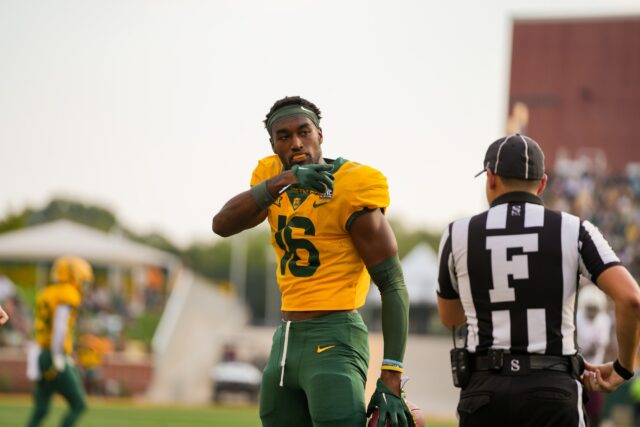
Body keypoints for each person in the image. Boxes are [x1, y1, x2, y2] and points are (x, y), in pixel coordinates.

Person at [212, 96, 414, 427]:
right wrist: (283, 181)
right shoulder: (271, 177)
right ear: (273, 144)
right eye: (284, 136)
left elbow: (393, 284)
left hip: (335, 337)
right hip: (285, 340)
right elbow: (222, 225)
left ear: (320, 134)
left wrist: (392, 374)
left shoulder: (351, 186)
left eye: (304, 132)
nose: (296, 143)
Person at [436, 134, 640, 427]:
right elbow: (631, 299)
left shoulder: (457, 234)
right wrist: (624, 367)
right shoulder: (575, 229)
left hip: (484, 392)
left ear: (490, 178)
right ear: (542, 183)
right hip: (553, 388)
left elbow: (451, 317)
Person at [26, 256, 94, 427]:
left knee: (41, 409)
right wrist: (58, 355)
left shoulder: (46, 292)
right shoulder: (68, 293)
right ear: (74, 275)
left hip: (41, 353)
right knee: (79, 404)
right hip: (54, 354)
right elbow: (60, 326)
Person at [576, 283, 612, 427]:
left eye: (594, 309)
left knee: (595, 413)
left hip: (594, 373)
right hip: (576, 372)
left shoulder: (604, 319)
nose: (592, 312)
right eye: (589, 308)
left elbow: (598, 346)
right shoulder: (576, 317)